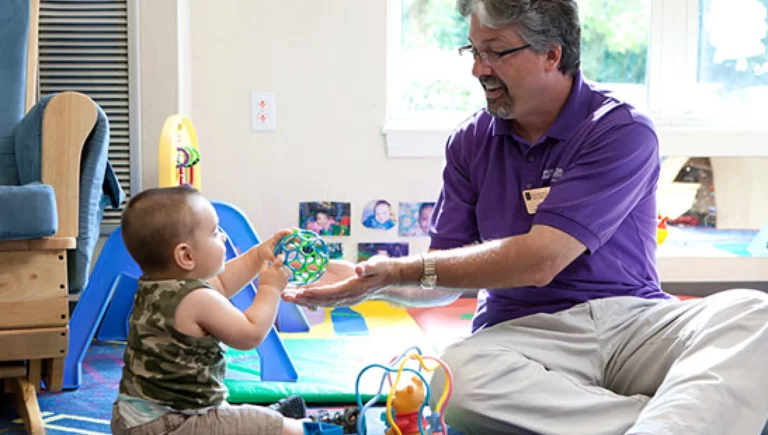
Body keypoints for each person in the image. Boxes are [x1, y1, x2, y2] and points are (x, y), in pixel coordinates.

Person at [284, 1, 768, 434]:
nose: (478, 68)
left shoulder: (620, 129)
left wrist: (398, 270)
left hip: (632, 322)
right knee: (452, 379)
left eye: (495, 52)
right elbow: (439, 279)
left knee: (753, 314)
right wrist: (370, 282)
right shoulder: (470, 142)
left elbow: (542, 259)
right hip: (524, 336)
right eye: (473, 51)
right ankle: (665, 419)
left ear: (551, 54)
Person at [111, 186, 309, 435]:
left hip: (133, 418)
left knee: (242, 419)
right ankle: (326, 427)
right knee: (287, 429)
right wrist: (270, 288)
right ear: (186, 256)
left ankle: (261, 421)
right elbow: (250, 334)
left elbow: (223, 283)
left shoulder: (157, 285)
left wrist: (258, 254)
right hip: (176, 423)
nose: (223, 237)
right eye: (215, 232)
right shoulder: (198, 299)